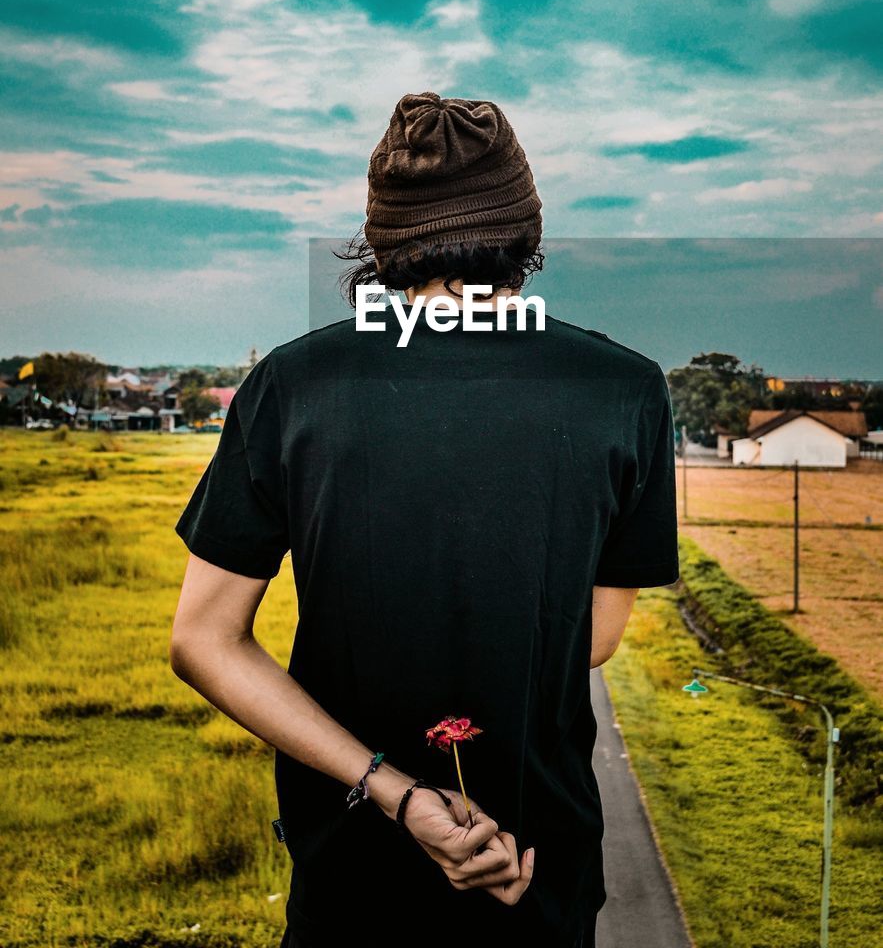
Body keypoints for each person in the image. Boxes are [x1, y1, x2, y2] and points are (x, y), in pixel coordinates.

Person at [170, 90, 680, 948]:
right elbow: (590, 638)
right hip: (534, 863)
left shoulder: (292, 387)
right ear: (526, 231)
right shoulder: (623, 390)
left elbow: (204, 641)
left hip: (352, 866)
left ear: (381, 240)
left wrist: (399, 793)